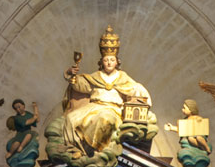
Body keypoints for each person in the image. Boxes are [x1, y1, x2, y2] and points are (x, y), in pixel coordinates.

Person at [61, 27, 151, 156]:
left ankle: (95, 152)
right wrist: (71, 74)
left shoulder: (122, 77)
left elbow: (134, 88)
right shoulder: (95, 77)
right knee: (70, 119)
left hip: (113, 109)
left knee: (104, 119)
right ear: (102, 62)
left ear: (117, 62)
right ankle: (76, 150)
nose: (109, 63)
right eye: (106, 60)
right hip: (94, 107)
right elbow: (80, 85)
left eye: (112, 60)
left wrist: (143, 97)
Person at [163, 99, 211, 167]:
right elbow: (181, 130)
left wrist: (199, 120)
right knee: (190, 139)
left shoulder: (196, 117)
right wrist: (172, 128)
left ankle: (206, 148)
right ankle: (199, 147)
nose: (182, 110)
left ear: (191, 109)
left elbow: (200, 121)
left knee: (199, 138)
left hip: (199, 134)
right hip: (190, 136)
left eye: (184, 108)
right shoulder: (185, 120)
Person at [5, 99, 40, 167]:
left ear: (23, 106)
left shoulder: (28, 114)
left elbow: (37, 120)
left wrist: (35, 108)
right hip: (20, 133)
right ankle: (10, 153)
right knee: (16, 143)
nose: (18, 109)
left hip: (27, 131)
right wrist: (34, 118)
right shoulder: (17, 118)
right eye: (16, 108)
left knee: (29, 135)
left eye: (19, 107)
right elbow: (27, 122)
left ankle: (21, 147)